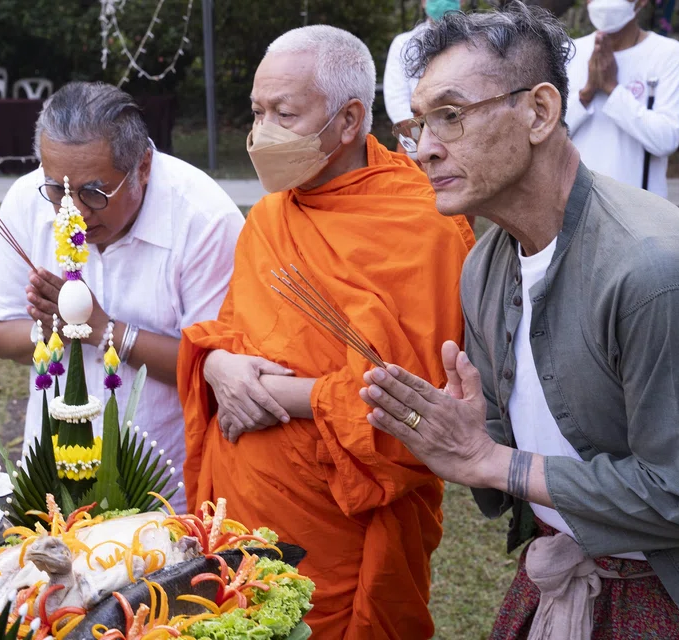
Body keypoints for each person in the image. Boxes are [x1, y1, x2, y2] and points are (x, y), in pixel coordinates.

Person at [364, 3, 679, 637]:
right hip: (556, 571)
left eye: (452, 117)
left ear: (539, 112)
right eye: (417, 126)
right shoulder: (485, 266)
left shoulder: (655, 271)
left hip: (667, 597)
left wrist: (494, 464)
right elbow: (493, 447)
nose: (425, 151)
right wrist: (458, 441)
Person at [177, 25, 475, 639]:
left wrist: (287, 396)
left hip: (343, 531)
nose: (263, 132)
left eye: (284, 113)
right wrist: (215, 368)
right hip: (238, 516)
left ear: (348, 120)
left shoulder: (424, 230)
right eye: (257, 112)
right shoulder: (267, 216)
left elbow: (420, 413)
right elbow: (233, 331)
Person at [0, 82, 243, 513]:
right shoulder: (29, 200)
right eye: (57, 189)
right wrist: (51, 331)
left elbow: (217, 372)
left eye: (94, 192)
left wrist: (103, 330)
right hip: (52, 479)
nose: (74, 210)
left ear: (143, 166)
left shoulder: (204, 219)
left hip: (163, 487)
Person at [566, 0, 679, 197]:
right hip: (576, 206)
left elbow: (666, 139)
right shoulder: (569, 52)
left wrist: (612, 89)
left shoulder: (669, 55)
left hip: (640, 212)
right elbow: (550, 131)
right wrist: (586, 94)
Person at [383, 0, 462, 127]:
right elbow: (396, 98)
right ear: (423, 2)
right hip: (416, 128)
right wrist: (416, 131)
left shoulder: (473, 42)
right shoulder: (403, 44)